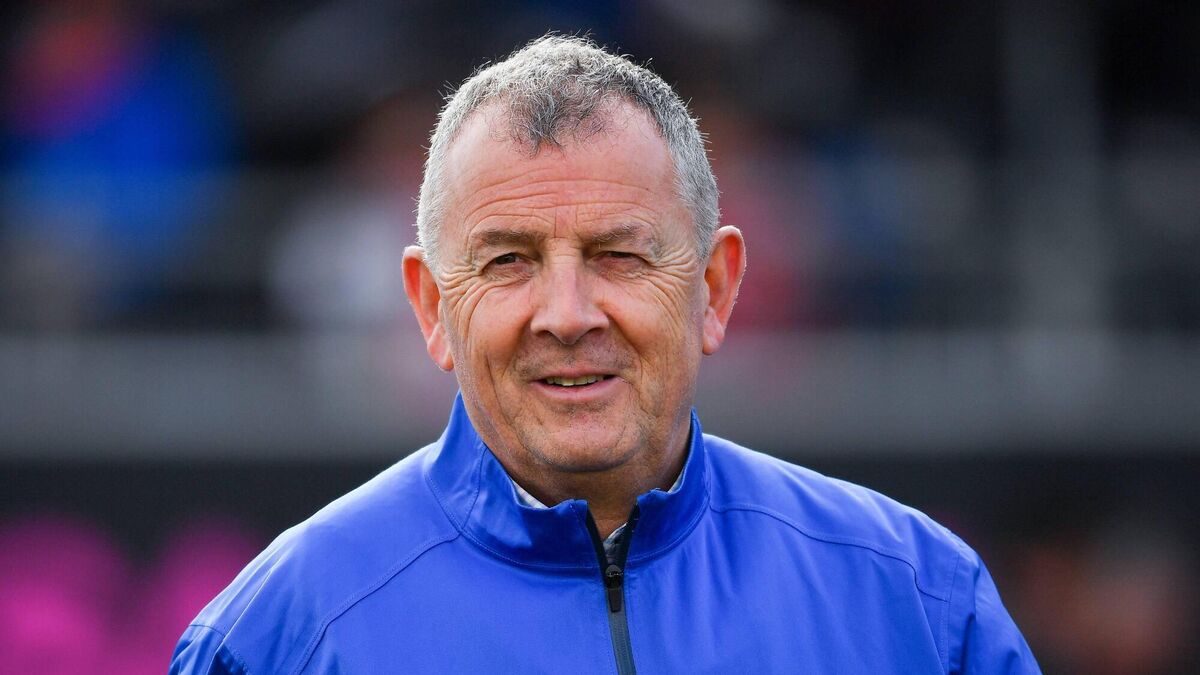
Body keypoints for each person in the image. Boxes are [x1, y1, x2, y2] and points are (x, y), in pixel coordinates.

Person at [171, 36, 1039, 674]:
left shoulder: (917, 601)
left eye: (618, 255)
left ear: (715, 287)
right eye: (508, 261)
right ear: (431, 307)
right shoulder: (278, 638)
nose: (567, 314)